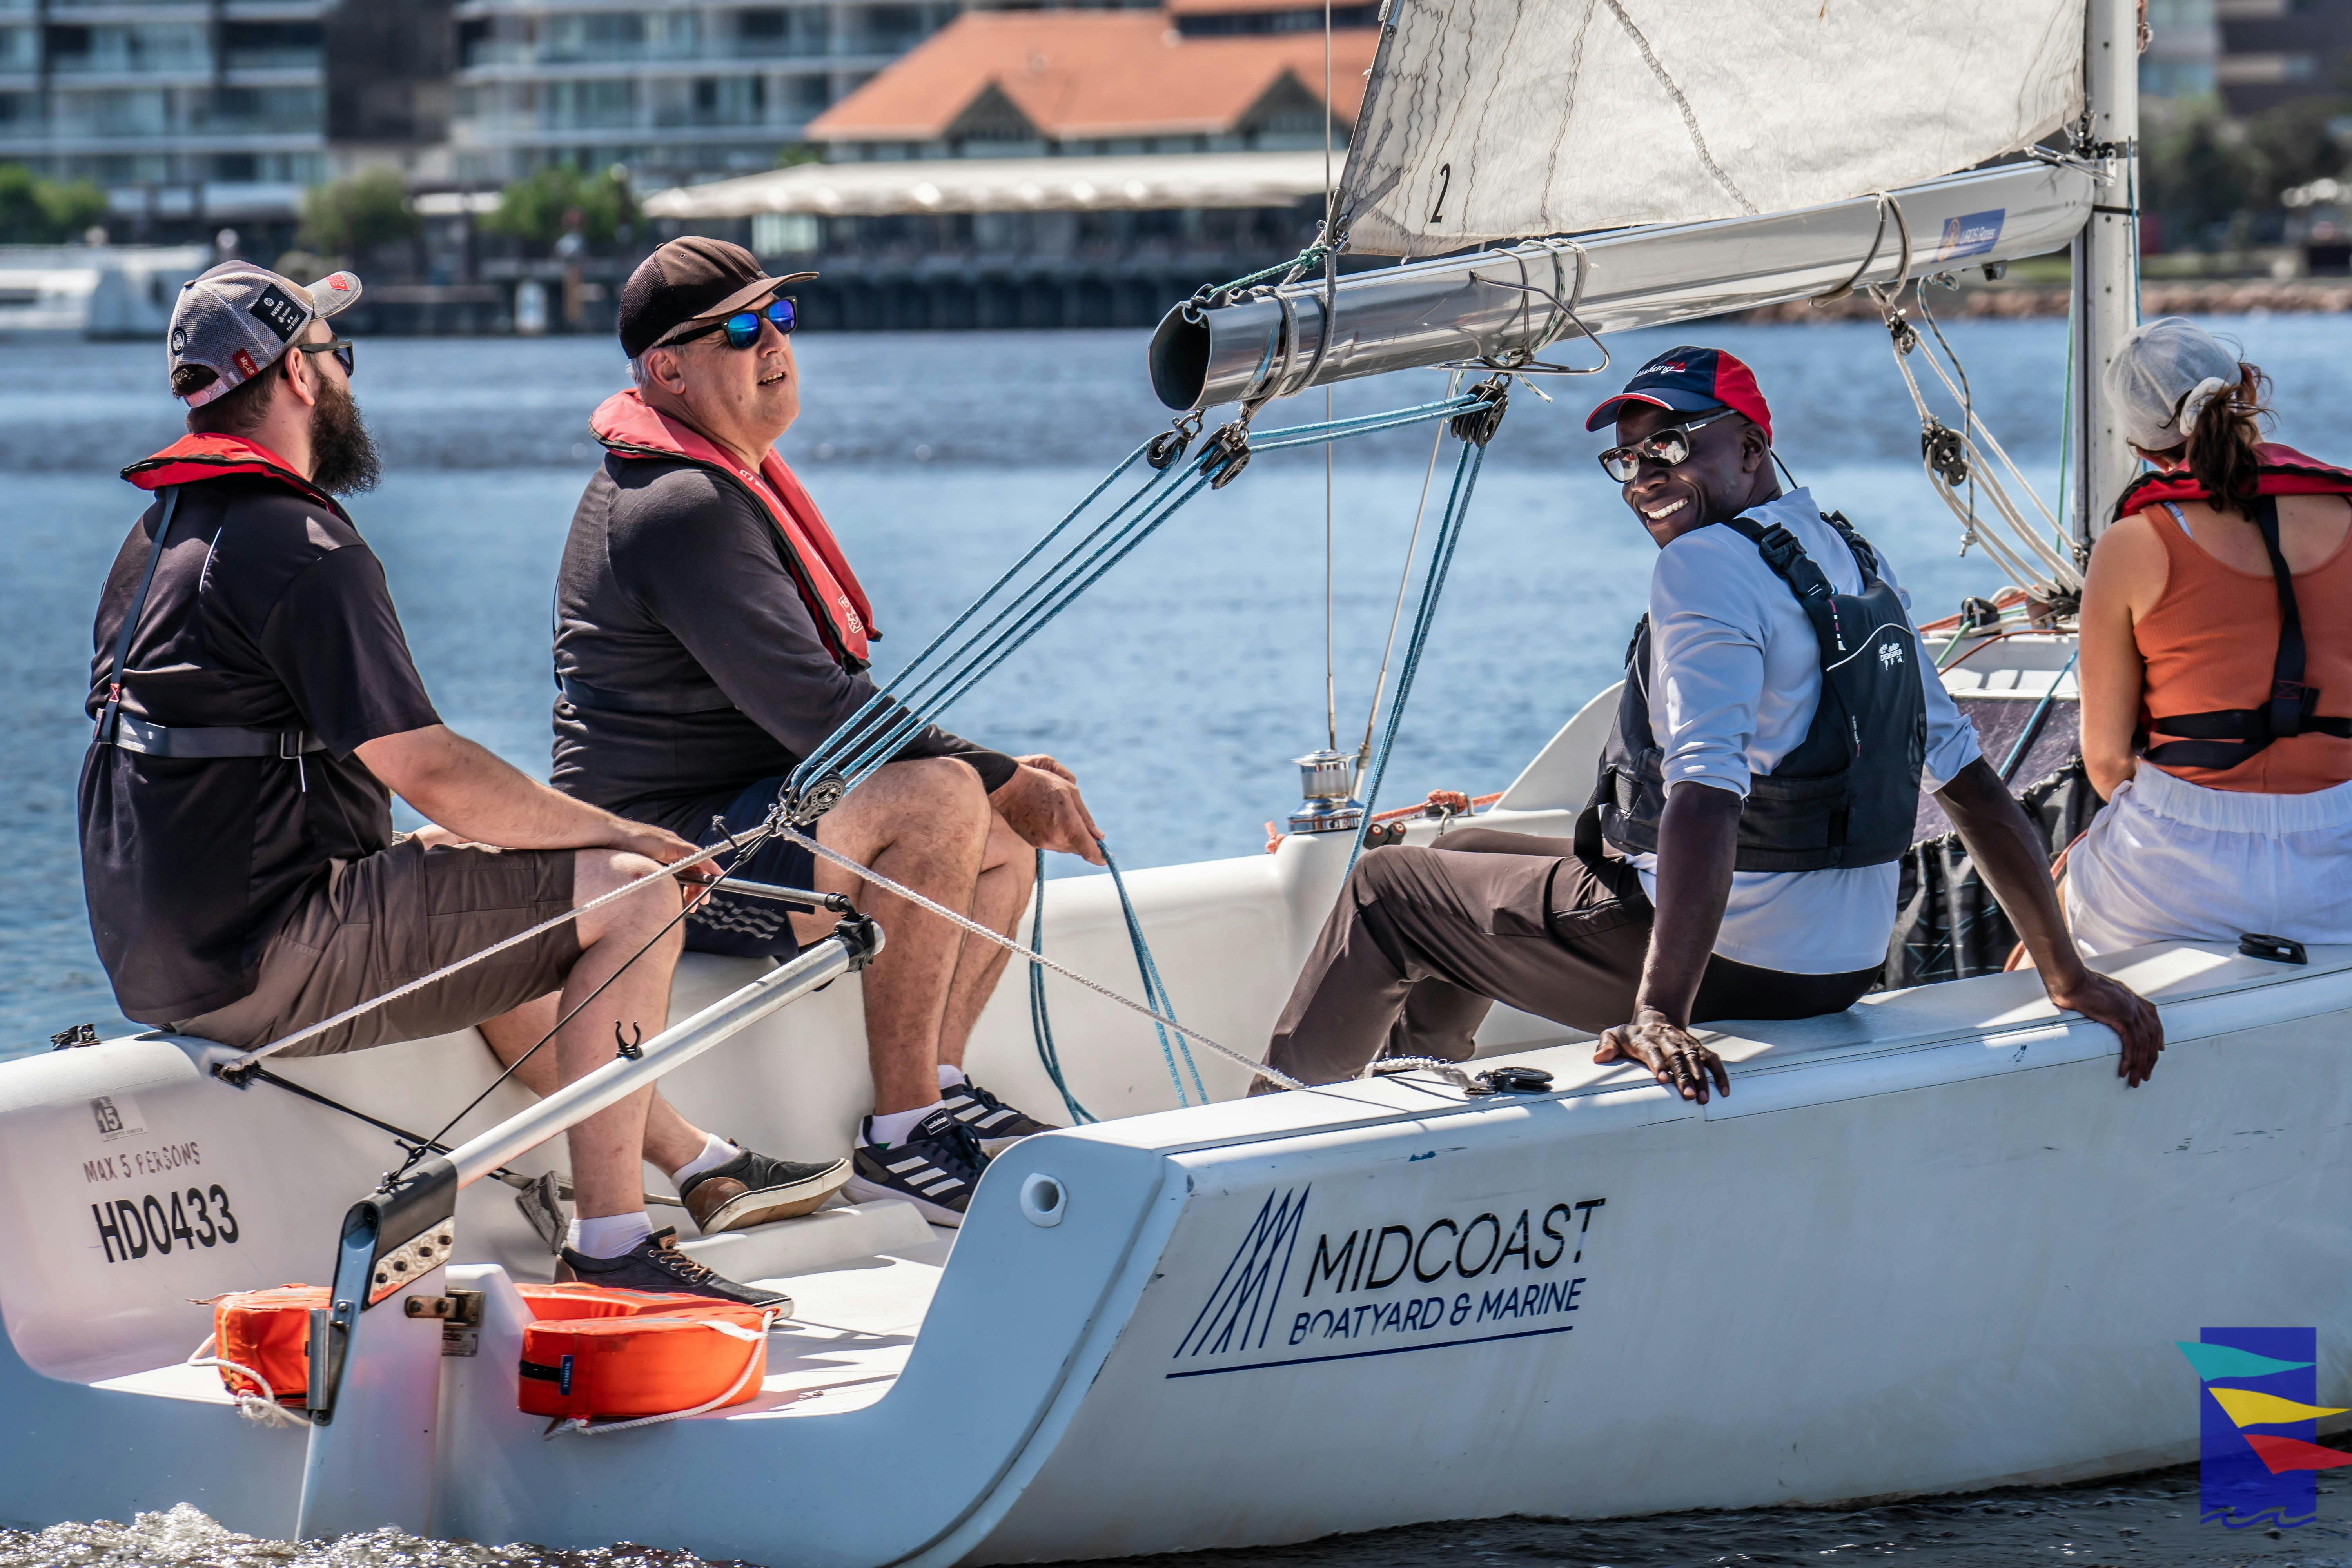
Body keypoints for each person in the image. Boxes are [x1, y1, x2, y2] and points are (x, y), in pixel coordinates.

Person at [80, 261, 834, 1310]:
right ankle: (613, 1244)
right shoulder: (300, 545)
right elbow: (431, 769)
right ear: (301, 374)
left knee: (531, 875)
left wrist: (545, 839)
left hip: (166, 957)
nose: (346, 375)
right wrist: (639, 839)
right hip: (263, 954)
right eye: (340, 356)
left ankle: (699, 1161)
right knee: (633, 894)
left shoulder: (159, 535)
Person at [1263, 347, 2165, 1098]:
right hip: (1839, 962)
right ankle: (1423, 1083)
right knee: (1465, 855)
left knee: (1388, 889)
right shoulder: (1851, 556)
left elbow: (1704, 795)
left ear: (1749, 445)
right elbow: (1971, 787)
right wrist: (2066, 973)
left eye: (1673, 445)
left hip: (1740, 963)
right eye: (1631, 458)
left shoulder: (1704, 566)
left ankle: (1269, 1132)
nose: (1646, 476)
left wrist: (1661, 1010)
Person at [552, 238, 1103, 1225]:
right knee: (950, 793)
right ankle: (900, 1136)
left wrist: (1003, 781)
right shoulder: (676, 509)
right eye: (737, 328)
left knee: (995, 819)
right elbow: (821, 709)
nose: (771, 342)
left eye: (780, 319)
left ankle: (940, 1081)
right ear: (666, 370)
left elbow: (825, 716)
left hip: (750, 815)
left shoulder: (723, 481)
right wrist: (996, 773)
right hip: (670, 861)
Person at [2069, 317, 2352, 953]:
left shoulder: (2130, 547)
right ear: (2247, 385)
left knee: (2048, 938)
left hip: (2174, 870)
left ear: (2142, 449)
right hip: (2342, 858)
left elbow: (2109, 763)